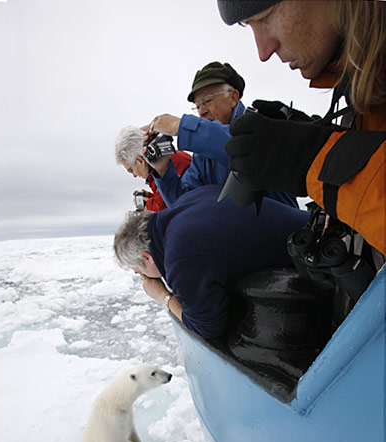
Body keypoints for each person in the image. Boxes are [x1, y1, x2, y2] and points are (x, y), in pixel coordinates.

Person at [217, 0, 386, 255]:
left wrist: (315, 159)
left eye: (266, 17)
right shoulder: (371, 80)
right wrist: (316, 136)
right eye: (248, 26)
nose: (263, 51)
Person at [113, 184, 309, 340]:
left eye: (138, 271)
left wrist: (164, 297)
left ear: (147, 257)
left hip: (312, 257)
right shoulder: (189, 201)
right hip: (315, 226)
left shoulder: (180, 257)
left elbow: (208, 327)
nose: (142, 276)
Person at [141, 61, 298, 209]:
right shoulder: (202, 155)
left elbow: (240, 147)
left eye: (207, 100)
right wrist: (163, 170)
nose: (202, 111)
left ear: (233, 97)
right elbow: (185, 205)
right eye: (197, 106)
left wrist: (179, 126)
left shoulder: (263, 126)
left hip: (281, 235)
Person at [115, 125, 191, 212]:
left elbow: (166, 207)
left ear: (140, 161)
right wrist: (151, 197)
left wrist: (147, 206)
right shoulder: (173, 157)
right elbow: (170, 196)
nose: (134, 175)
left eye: (131, 170)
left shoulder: (163, 169)